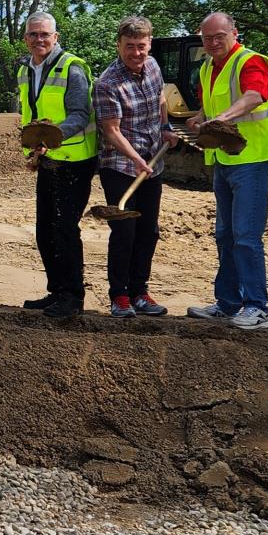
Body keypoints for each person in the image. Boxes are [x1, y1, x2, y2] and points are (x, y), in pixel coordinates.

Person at [183, 12, 268, 332]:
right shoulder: (206, 68)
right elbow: (209, 108)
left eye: (219, 36)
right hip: (225, 160)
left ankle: (257, 307)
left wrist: (221, 119)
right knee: (225, 235)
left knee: (245, 236)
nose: (213, 43)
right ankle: (227, 303)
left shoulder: (251, 62)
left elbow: (254, 96)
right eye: (207, 38)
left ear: (234, 33)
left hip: (253, 159)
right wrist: (199, 119)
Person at [93, 16, 181, 318]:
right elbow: (111, 130)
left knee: (148, 230)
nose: (136, 53)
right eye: (129, 46)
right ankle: (119, 296)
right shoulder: (107, 83)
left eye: (141, 46)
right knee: (124, 230)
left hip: (152, 162)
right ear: (119, 45)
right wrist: (135, 159)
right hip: (119, 164)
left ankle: (140, 291)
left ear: (149, 44)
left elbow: (159, 98)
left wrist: (166, 126)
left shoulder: (154, 66)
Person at [17, 12, 96, 320]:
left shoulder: (72, 68)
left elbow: (79, 113)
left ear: (56, 37)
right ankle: (56, 291)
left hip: (74, 160)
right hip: (49, 158)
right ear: (26, 39)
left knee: (64, 229)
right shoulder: (26, 70)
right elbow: (31, 112)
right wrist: (36, 148)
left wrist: (51, 138)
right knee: (44, 230)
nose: (39, 39)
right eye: (33, 35)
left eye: (45, 34)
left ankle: (72, 296)